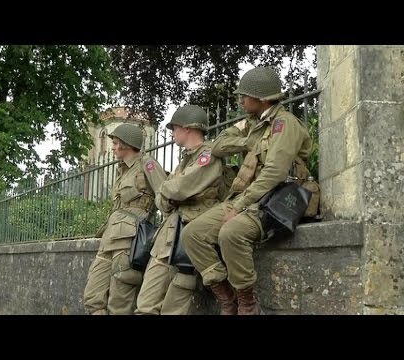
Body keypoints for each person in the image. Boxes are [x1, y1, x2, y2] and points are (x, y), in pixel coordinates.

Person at [181, 67, 313, 315]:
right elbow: (218, 146)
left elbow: (274, 173)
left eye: (245, 95)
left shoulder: (284, 124)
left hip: (277, 198)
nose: (240, 100)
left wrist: (238, 206)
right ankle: (228, 299)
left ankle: (247, 303)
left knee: (231, 232)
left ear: (262, 99)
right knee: (192, 234)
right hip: (249, 198)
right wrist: (246, 141)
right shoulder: (250, 124)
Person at [135, 105, 226, 315]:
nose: (172, 133)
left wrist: (172, 192)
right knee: (145, 305)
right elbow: (163, 198)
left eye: (174, 128)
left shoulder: (208, 155)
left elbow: (177, 188)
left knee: (175, 306)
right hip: (167, 238)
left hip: (189, 238)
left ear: (187, 128)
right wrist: (171, 192)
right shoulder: (185, 161)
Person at [83, 123, 167, 315]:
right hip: (110, 238)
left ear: (126, 144)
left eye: (114, 143)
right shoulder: (123, 170)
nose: (111, 147)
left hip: (131, 240)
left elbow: (164, 194)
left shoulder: (147, 164)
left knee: (120, 302)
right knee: (93, 297)